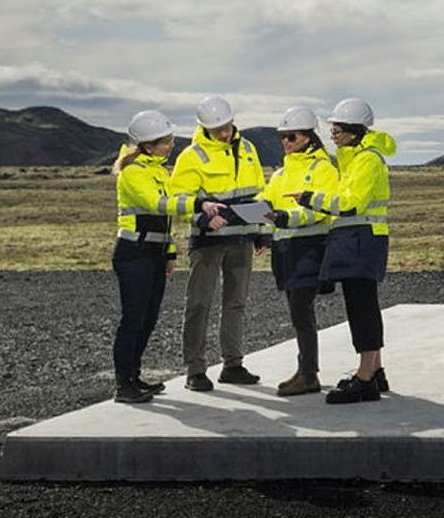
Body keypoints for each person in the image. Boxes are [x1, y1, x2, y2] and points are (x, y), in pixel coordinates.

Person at [295, 97, 396, 405]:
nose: (333, 135)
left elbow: (351, 202)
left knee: (361, 306)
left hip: (362, 239)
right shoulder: (354, 158)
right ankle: (374, 371)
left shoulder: (366, 160)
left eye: (337, 129)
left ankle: (365, 379)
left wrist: (311, 198)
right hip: (358, 238)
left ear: (353, 130)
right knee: (363, 303)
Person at [170, 95, 269, 391]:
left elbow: (258, 192)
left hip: (241, 240)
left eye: (227, 127)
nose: (224, 133)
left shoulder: (249, 149)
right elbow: (178, 200)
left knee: (236, 304)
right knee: (199, 304)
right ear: (204, 127)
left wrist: (261, 231)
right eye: (217, 130)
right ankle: (195, 370)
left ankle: (233, 365)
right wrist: (201, 219)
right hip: (208, 243)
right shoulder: (192, 155)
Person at [111, 110, 197, 404]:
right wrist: (199, 204)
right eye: (165, 142)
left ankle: (134, 376)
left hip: (154, 254)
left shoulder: (159, 169)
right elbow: (157, 204)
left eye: (171, 140)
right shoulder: (133, 172)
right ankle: (124, 385)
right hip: (134, 254)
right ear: (147, 144)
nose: (171, 146)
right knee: (133, 320)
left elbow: (165, 221)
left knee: (148, 320)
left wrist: (169, 252)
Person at [259, 106, 339, 396]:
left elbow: (321, 208)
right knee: (298, 313)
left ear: (307, 137)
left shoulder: (323, 168)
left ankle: (308, 374)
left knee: (301, 311)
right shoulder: (279, 173)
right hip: (285, 251)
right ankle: (306, 372)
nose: (285, 142)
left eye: (291, 137)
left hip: (310, 248)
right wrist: (260, 226)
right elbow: (266, 205)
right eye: (282, 137)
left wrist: (286, 217)